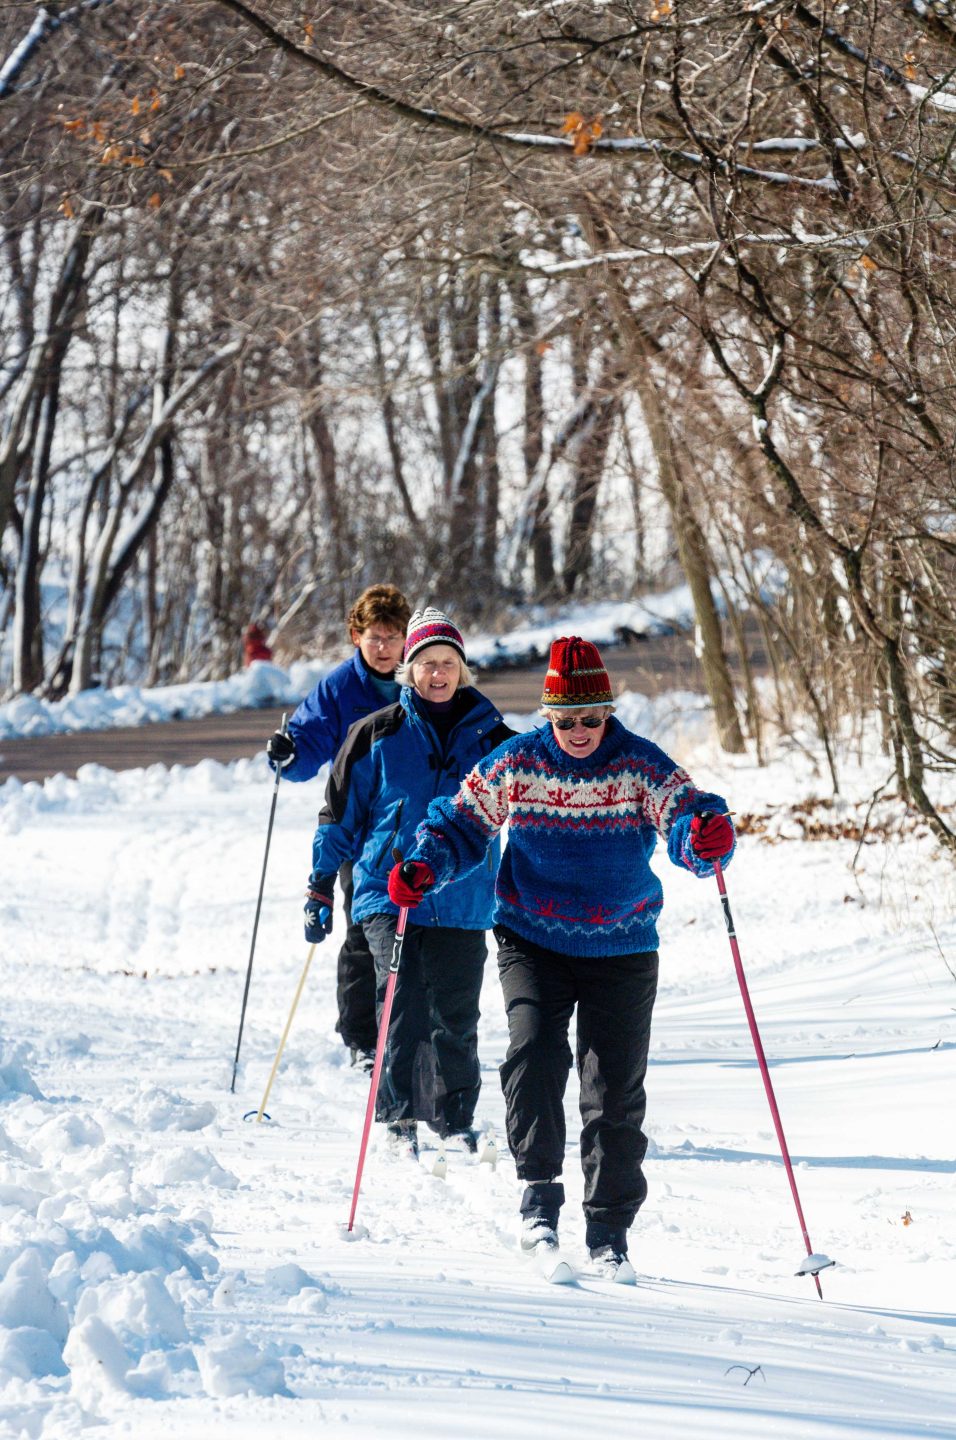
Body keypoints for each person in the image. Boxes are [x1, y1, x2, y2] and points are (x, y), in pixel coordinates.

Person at [387, 635, 735, 1272]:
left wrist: (705, 838)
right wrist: (422, 864)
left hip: (623, 943)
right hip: (531, 937)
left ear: (608, 712)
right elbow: (459, 822)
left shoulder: (640, 764)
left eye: (592, 718)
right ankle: (538, 1199)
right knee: (535, 1054)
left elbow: (688, 816)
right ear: (549, 716)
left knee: (614, 1091)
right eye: (567, 719)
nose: (580, 731)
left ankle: (608, 1233)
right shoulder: (519, 761)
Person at [304, 607, 513, 1156]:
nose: (438, 674)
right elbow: (339, 814)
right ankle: (399, 1116)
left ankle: (454, 1117)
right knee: (403, 1005)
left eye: (448, 663)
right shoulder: (375, 733)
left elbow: (535, 801)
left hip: (464, 895)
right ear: (409, 670)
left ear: (462, 670)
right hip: (386, 890)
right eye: (426, 664)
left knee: (457, 1012)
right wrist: (321, 885)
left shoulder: (494, 736)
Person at [266, 583, 411, 1071]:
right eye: (376, 637)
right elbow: (309, 741)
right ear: (356, 636)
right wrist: (291, 753)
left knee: (421, 930)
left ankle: (411, 1028)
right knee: (365, 929)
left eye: (394, 637)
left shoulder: (424, 677)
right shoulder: (340, 688)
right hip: (359, 827)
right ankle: (362, 1037)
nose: (385, 647)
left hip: (413, 824)